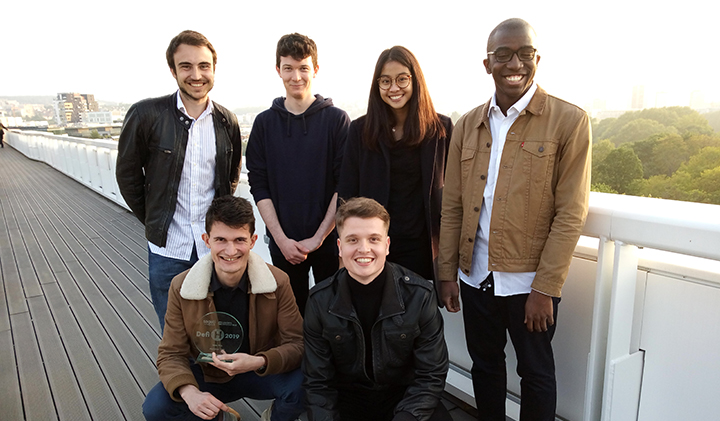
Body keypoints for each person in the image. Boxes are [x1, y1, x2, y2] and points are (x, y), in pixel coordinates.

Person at [438, 18, 591, 421]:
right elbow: (453, 205)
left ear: (538, 59)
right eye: (503, 55)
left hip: (530, 283)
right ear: (487, 64)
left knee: (535, 373)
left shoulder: (569, 121)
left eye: (525, 54)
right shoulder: (468, 124)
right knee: (485, 367)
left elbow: (571, 213)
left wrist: (545, 288)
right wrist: (447, 272)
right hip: (476, 277)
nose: (515, 64)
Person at [116, 30, 243, 331]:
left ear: (214, 69)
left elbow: (231, 177)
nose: (196, 75)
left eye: (204, 66)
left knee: (217, 326)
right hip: (168, 248)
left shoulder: (227, 121)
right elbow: (128, 175)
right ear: (173, 71)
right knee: (173, 329)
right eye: (186, 66)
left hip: (213, 247)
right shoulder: (146, 114)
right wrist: (156, 220)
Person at [142, 195, 304, 421]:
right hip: (207, 373)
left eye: (239, 240)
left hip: (257, 369)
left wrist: (260, 361)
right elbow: (171, 353)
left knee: (309, 384)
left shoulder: (277, 281)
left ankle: (274, 417)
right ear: (206, 240)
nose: (230, 250)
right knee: (156, 408)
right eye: (220, 240)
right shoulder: (182, 286)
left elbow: (297, 343)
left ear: (253, 241)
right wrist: (190, 393)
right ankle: (215, 415)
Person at [303, 197, 451, 421]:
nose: (364, 249)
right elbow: (318, 381)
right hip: (348, 399)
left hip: (403, 397)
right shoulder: (319, 301)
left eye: (374, 239)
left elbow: (431, 374)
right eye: (353, 240)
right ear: (340, 247)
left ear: (387, 245)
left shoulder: (419, 295)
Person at [246, 33, 350, 315]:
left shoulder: (337, 121)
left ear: (315, 69)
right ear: (278, 70)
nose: (296, 76)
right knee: (291, 318)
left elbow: (344, 184)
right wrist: (281, 240)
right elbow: (259, 185)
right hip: (283, 244)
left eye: (303, 68)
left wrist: (318, 238)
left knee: (333, 316)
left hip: (329, 242)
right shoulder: (264, 124)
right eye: (288, 68)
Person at [337, 46, 453, 283]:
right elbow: (347, 196)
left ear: (415, 80)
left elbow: (454, 196)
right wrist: (344, 259)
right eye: (385, 81)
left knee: (420, 306)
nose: (393, 88)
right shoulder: (361, 131)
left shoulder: (440, 130)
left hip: (424, 248)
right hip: (373, 249)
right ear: (377, 85)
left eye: (402, 79)